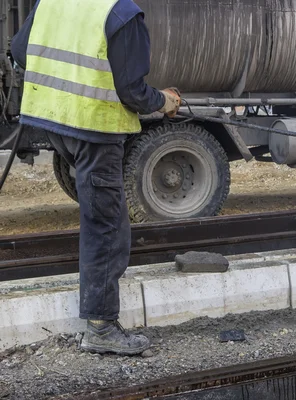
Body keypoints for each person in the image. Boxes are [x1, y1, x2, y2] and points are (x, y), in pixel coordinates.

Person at [11, 0, 181, 355]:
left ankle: (100, 322)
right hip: (95, 129)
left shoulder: (52, 3)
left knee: (98, 216)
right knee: (106, 224)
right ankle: (101, 328)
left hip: (57, 123)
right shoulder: (120, 14)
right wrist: (164, 101)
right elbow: (132, 92)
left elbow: (20, 51)